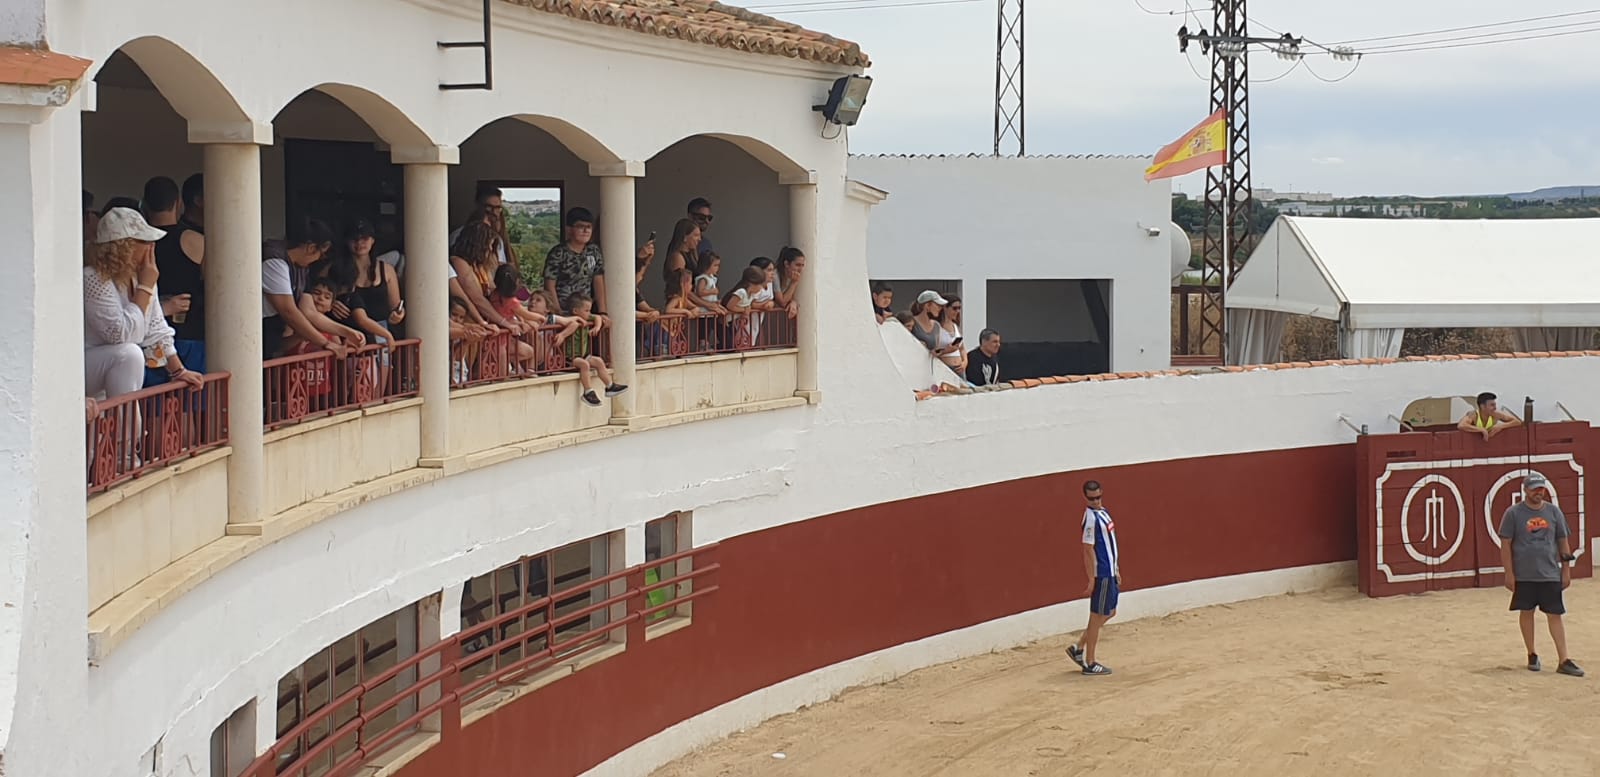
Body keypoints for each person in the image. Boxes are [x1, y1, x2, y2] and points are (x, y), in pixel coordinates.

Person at [83, 208, 203, 400]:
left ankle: (130, 428)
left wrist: (178, 371)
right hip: (86, 367)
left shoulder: (141, 277)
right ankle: (128, 429)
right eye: (145, 241)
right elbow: (120, 335)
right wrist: (146, 288)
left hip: (116, 376)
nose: (152, 246)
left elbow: (156, 328)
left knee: (131, 355)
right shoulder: (93, 278)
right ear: (125, 246)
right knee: (130, 353)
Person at [1499, 473, 1582, 676]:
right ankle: (1532, 653)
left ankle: (1563, 659)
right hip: (1524, 574)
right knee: (1526, 612)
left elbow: (1563, 541)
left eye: (1541, 488)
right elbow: (1505, 545)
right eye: (1535, 489)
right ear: (1525, 490)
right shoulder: (1513, 513)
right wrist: (1509, 573)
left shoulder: (1554, 512)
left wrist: (1566, 570)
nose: (1539, 492)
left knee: (1555, 614)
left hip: (1549, 572)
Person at [262, 218, 357, 359]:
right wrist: (326, 343)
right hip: (259, 328)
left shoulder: (301, 267)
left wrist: (348, 332)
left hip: (271, 334)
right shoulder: (274, 261)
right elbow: (288, 311)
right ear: (311, 248)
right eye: (321, 254)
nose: (318, 260)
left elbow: (310, 311)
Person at [144, 175, 207, 378]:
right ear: (178, 203)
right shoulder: (194, 240)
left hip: (148, 335)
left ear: (144, 205)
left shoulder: (137, 244)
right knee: (191, 398)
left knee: (151, 403)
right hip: (190, 332)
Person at [1067, 480, 1120, 677]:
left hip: (1110, 571)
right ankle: (1089, 662)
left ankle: (1078, 648)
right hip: (1102, 573)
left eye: (1098, 497)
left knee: (1109, 612)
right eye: (1092, 499)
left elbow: (1110, 544)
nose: (1096, 501)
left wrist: (1116, 568)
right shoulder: (1090, 519)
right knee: (1097, 616)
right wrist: (1092, 579)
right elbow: (1087, 550)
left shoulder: (1102, 512)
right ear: (1086, 498)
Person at [559, 293, 627, 407]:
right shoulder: (569, 320)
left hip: (583, 353)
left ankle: (610, 386)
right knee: (584, 365)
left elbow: (597, 317)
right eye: (586, 310)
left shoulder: (587, 317)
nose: (589, 313)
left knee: (599, 361)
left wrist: (596, 327)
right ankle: (588, 392)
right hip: (570, 356)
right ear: (576, 311)